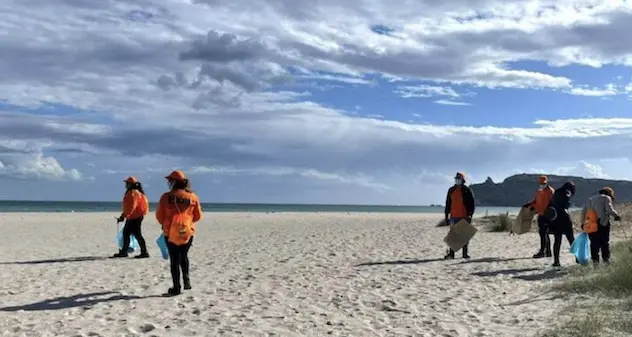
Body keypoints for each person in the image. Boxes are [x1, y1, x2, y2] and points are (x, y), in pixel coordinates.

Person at [156, 170, 203, 296]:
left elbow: (160, 216)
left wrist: (165, 223)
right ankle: (186, 280)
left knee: (174, 259)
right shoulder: (193, 197)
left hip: (170, 232)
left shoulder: (165, 197)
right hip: (187, 231)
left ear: (173, 182)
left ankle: (176, 287)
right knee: (184, 255)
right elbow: (198, 216)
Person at [580, 187, 621, 264]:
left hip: (591, 225)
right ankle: (606, 261)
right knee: (604, 243)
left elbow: (583, 212)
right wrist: (616, 216)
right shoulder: (606, 198)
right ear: (609, 194)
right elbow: (609, 210)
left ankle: (595, 262)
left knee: (594, 244)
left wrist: (582, 223)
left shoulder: (590, 199)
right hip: (602, 224)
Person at [112, 176, 149, 258]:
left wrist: (123, 216)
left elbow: (131, 207)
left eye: (127, 183)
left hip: (134, 217)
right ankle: (128, 251)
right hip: (136, 216)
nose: (125, 185)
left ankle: (142, 252)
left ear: (130, 184)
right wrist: (125, 215)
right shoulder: (138, 192)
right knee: (130, 233)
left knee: (132, 234)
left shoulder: (133, 193)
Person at [443, 172, 476, 259]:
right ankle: (451, 254)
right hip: (454, 216)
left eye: (459, 178)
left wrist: (470, 215)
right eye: (456, 178)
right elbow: (448, 204)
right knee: (453, 236)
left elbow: (472, 204)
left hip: (464, 216)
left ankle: (465, 254)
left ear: (463, 180)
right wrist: (446, 216)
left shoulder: (467, 190)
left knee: (464, 236)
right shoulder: (451, 190)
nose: (457, 180)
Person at [522, 175, 555, 259]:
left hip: (547, 215)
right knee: (544, 233)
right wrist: (529, 204)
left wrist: (549, 212)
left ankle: (542, 252)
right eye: (541, 183)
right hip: (540, 214)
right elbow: (536, 200)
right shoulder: (538, 191)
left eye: (543, 183)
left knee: (543, 233)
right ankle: (548, 252)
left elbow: (553, 203)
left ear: (547, 182)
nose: (542, 184)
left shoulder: (551, 191)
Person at [545, 181, 576, 267]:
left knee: (557, 241)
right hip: (564, 218)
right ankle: (577, 257)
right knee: (571, 239)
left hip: (555, 219)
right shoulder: (567, 193)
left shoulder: (555, 194)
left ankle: (556, 261)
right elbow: (566, 204)